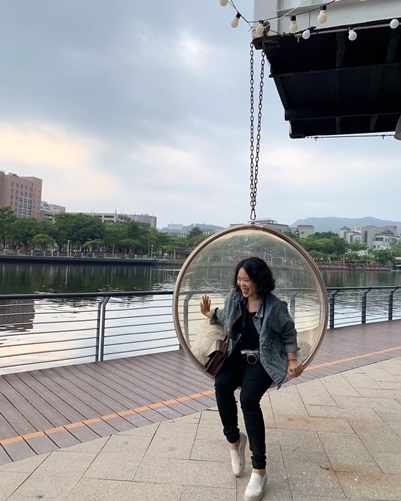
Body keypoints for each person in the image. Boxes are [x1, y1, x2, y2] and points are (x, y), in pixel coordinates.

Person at [200, 257, 303, 501]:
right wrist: (208, 313)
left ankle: (259, 470)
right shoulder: (235, 299)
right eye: (239, 279)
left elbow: (289, 333)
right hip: (237, 356)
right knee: (221, 385)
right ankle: (234, 441)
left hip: (263, 359)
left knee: (248, 400)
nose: (242, 284)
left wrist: (292, 360)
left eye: (247, 279)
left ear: (259, 280)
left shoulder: (275, 307)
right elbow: (224, 316)